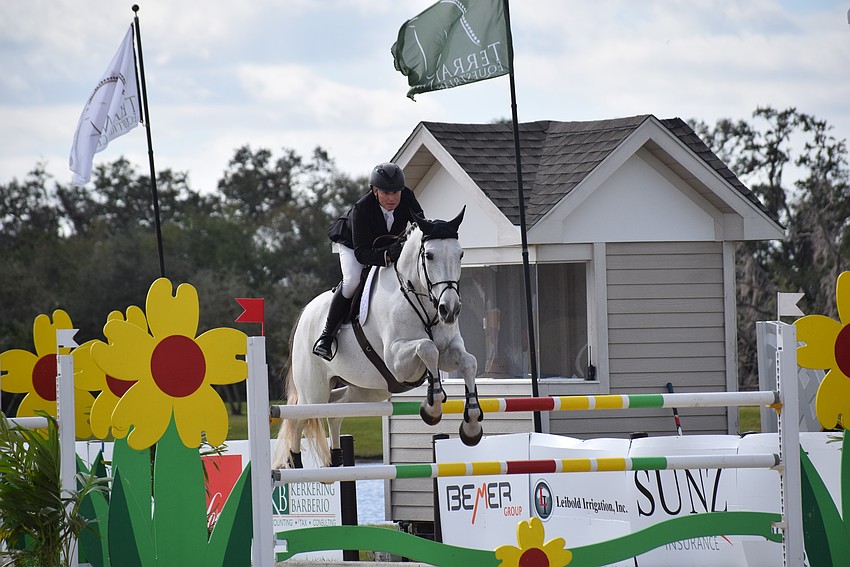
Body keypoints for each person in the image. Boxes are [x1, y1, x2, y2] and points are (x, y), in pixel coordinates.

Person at [312, 161, 425, 360]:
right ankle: (326, 337)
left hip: (386, 241)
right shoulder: (361, 209)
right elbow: (362, 253)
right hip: (353, 243)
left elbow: (421, 225)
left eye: (395, 193)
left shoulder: (407, 197)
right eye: (386, 193)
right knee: (352, 281)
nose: (392, 198)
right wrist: (388, 255)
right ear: (374, 191)